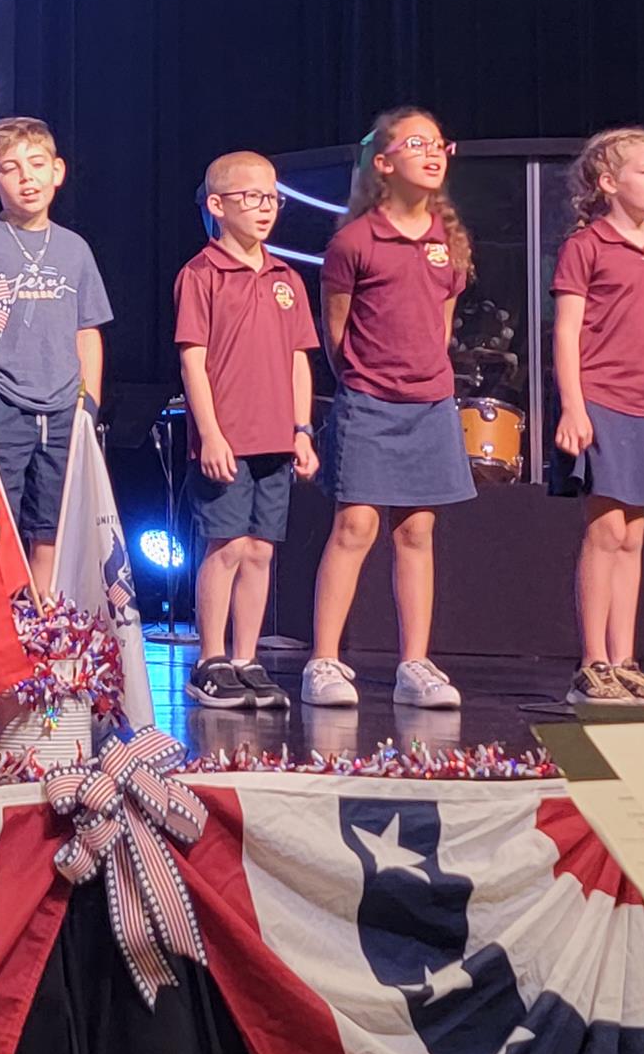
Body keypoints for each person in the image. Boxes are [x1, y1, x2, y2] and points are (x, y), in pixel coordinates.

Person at [305, 107, 472, 711]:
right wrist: (368, 380)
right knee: (355, 526)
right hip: (370, 402)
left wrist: (425, 376)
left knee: (417, 530)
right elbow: (338, 331)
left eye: (438, 144)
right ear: (383, 163)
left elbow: (442, 326)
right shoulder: (354, 241)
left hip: (430, 404)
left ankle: (414, 664)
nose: (432, 153)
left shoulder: (448, 239)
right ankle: (324, 660)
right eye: (416, 144)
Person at [174, 152, 319, 711]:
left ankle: (245, 657)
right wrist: (210, 434)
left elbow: (299, 359)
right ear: (218, 205)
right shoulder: (201, 274)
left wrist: (302, 430)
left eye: (272, 198)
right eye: (252, 197)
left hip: (276, 440)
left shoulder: (286, 279)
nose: (266, 208)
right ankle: (210, 659)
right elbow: (193, 360)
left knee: (260, 550)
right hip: (227, 441)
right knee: (227, 545)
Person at [0, 116, 111, 596]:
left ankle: (42, 622)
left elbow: (88, 329)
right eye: (11, 168)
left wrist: (88, 402)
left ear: (57, 171)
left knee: (52, 526)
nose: (27, 178)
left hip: (63, 406)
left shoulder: (75, 249)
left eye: (37, 164)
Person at [551, 126, 644, 705]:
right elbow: (566, 332)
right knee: (606, 531)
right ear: (607, 182)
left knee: (634, 536)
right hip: (602, 399)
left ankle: (625, 661)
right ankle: (592, 661)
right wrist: (574, 406)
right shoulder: (587, 246)